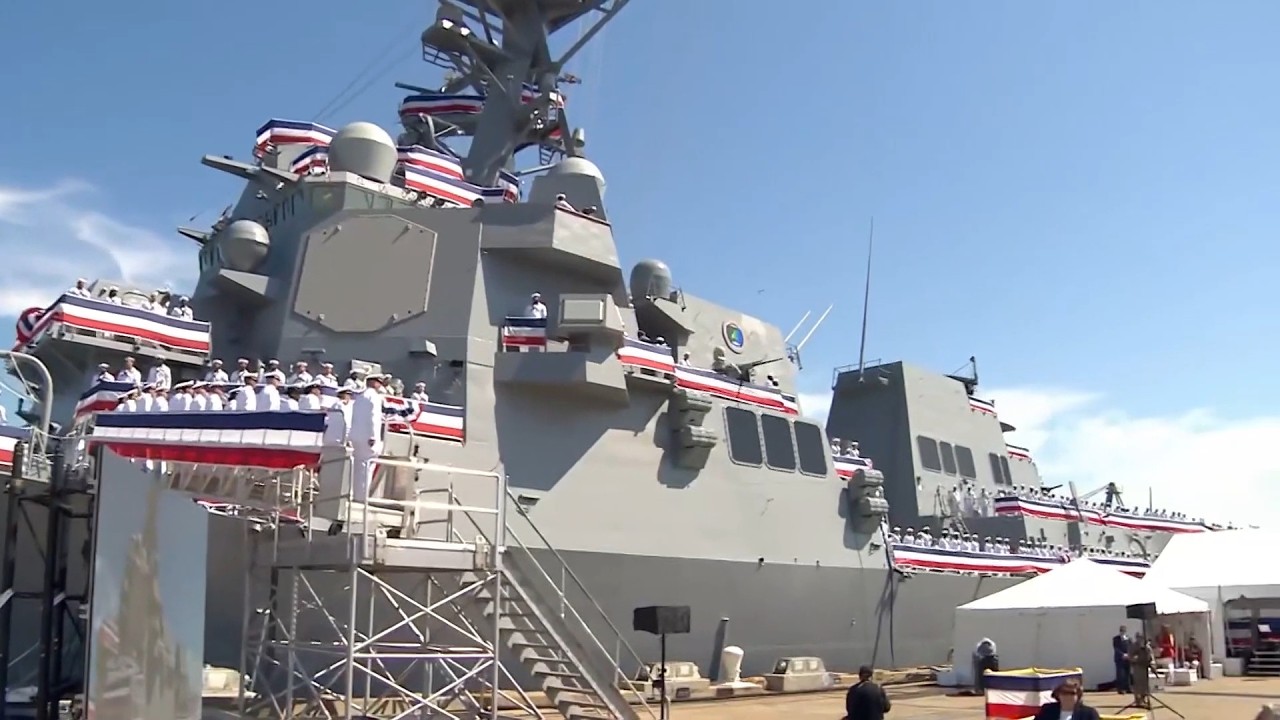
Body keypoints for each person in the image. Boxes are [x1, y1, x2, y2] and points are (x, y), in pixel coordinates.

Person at [1032, 679, 1100, 720]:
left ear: (1078, 695)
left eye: (1072, 693)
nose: (1068, 696)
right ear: (1058, 694)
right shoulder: (1047, 710)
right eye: (1064, 693)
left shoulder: (1089, 713)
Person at [1113, 625, 1132, 693]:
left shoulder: (1128, 638)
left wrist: (1129, 654)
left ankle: (1128, 688)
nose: (1122, 632)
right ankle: (1120, 689)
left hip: (1127, 658)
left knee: (1127, 673)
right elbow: (1116, 648)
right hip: (1119, 659)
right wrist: (1122, 654)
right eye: (1121, 631)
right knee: (1120, 674)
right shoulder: (1116, 639)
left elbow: (1131, 647)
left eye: (1124, 631)